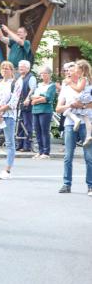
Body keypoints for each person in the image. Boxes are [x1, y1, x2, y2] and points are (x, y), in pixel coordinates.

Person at [57, 66, 92, 196]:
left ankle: (90, 186)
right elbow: (58, 108)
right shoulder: (65, 88)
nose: (69, 72)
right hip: (70, 124)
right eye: (67, 71)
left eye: (71, 70)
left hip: (85, 123)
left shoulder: (87, 85)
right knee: (68, 156)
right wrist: (69, 105)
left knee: (89, 156)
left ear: (79, 72)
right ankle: (67, 184)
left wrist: (81, 105)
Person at [63, 60, 92, 147]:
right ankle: (88, 136)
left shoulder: (83, 79)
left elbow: (79, 89)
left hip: (83, 97)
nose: (75, 70)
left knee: (67, 109)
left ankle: (76, 119)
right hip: (87, 98)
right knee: (87, 119)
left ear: (81, 69)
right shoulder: (88, 78)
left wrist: (70, 83)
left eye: (76, 68)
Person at [30, 66, 56, 159]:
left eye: (45, 73)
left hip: (45, 110)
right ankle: (40, 151)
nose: (43, 75)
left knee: (45, 131)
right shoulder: (39, 85)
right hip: (35, 110)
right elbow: (32, 96)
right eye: (42, 73)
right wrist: (40, 97)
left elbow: (48, 98)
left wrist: (36, 100)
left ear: (49, 74)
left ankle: (46, 152)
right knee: (37, 131)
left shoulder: (52, 85)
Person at [15, 60, 37, 153]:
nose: (20, 68)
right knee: (19, 125)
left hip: (27, 105)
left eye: (23, 66)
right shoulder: (19, 77)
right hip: (19, 105)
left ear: (28, 68)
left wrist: (28, 99)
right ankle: (19, 144)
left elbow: (32, 89)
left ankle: (27, 145)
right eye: (20, 66)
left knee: (27, 125)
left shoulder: (31, 77)